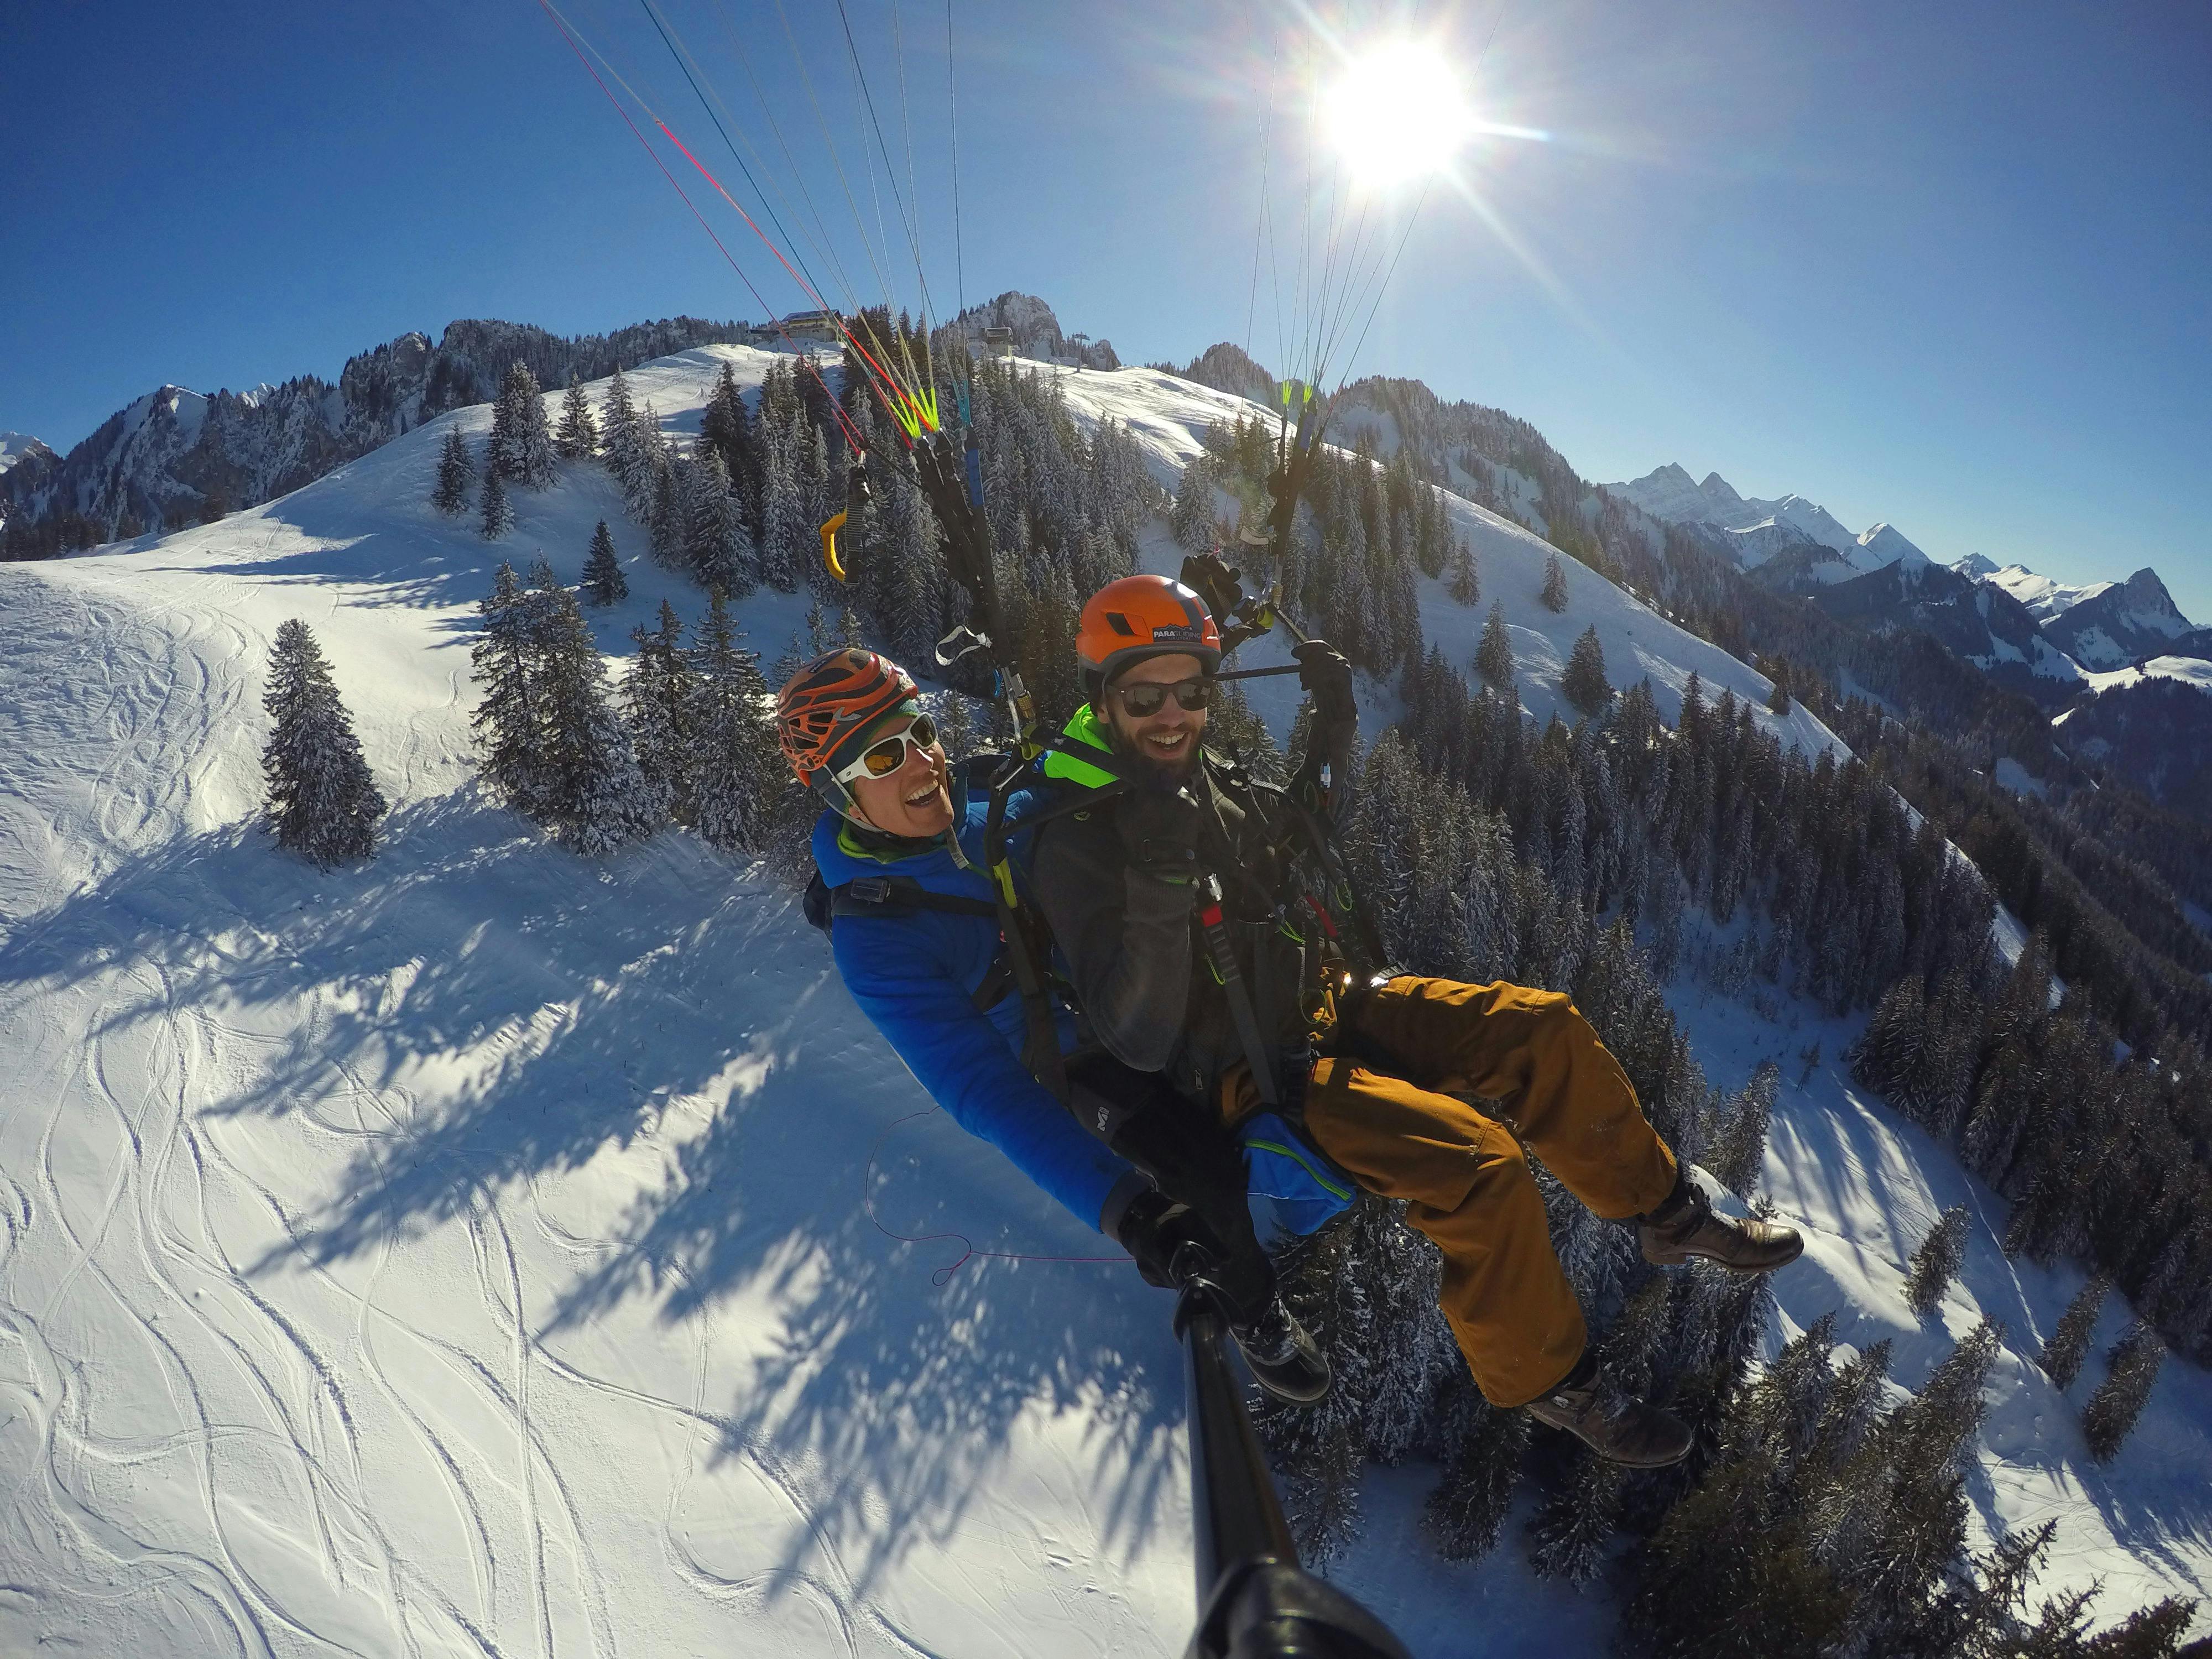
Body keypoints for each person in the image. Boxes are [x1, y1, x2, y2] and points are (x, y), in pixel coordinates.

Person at [1024, 575, 1804, 1467]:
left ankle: (1666, 1213)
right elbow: (1136, 1039)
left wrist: (1332, 725)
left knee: (1540, 1028)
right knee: (1480, 1166)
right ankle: (1558, 1388)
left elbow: (1286, 848)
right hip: (1245, 1075)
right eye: (1144, 695)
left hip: (1316, 1006)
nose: (1174, 715)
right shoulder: (1078, 836)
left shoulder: (1186, 782)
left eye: (1193, 692)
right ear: (1103, 697)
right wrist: (1161, 887)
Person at [776, 645, 1331, 1401]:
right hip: (1073, 1057)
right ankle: (1258, 1315)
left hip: (1118, 979)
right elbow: (985, 1093)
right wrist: (1133, 1215)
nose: (922, 762)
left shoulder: (980, 790)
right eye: (884, 755)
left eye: (920, 731)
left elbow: (1067, 766)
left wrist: (1164, 659)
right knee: (1202, 1169)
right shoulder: (878, 940)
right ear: (840, 793)